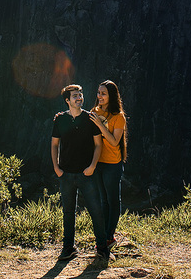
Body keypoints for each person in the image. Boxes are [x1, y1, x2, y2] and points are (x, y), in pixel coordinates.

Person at [50, 84, 108, 262]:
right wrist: (56, 168)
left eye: (80, 95)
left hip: (86, 174)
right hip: (66, 174)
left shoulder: (90, 119)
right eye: (75, 96)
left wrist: (92, 166)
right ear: (67, 100)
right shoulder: (60, 120)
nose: (79, 98)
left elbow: (98, 145)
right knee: (68, 212)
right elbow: (54, 144)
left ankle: (102, 249)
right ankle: (68, 248)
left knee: (95, 210)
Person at [89, 79, 127, 249]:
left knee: (112, 200)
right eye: (98, 93)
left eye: (103, 93)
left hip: (112, 163)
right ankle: (103, 235)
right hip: (98, 162)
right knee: (103, 200)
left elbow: (113, 141)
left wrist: (99, 124)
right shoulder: (94, 111)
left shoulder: (118, 117)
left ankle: (109, 236)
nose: (100, 96)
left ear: (112, 96)